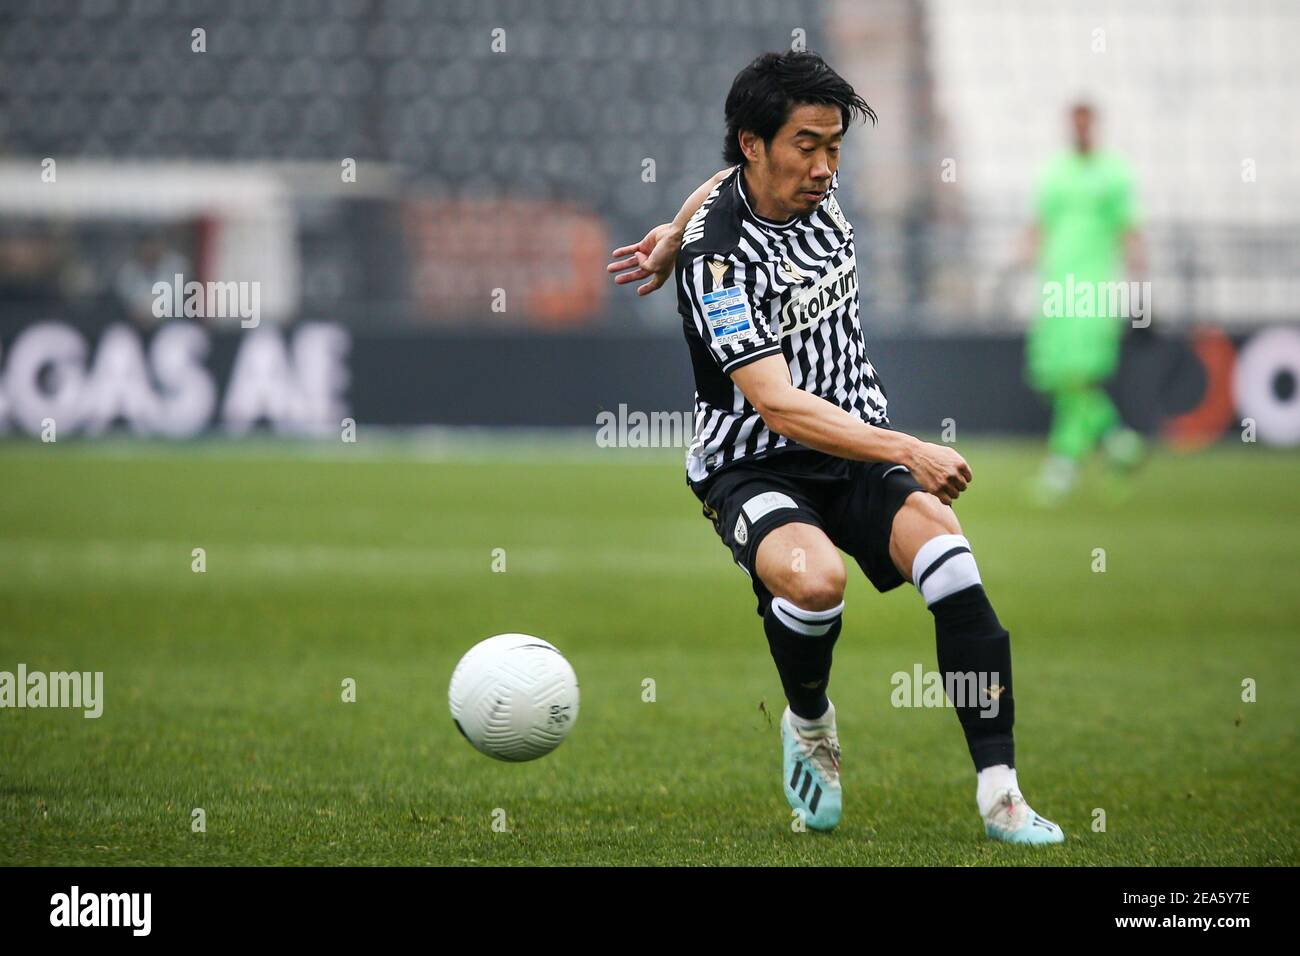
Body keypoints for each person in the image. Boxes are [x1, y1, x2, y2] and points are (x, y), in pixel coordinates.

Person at [608, 51, 1063, 843]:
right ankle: (811, 722)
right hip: (754, 460)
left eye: (835, 146)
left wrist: (670, 228)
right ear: (754, 143)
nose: (825, 166)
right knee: (815, 584)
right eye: (808, 145)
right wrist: (909, 448)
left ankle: (1002, 796)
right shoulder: (720, 265)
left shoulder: (795, 188)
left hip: (849, 444)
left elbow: (717, 185)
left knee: (953, 564)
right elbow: (778, 406)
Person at [1020, 102, 1147, 504]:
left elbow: (1130, 231)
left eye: (1085, 122)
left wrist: (1141, 288)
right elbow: (1039, 226)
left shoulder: (1114, 173)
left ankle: (1063, 465)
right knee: (1058, 375)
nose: (1079, 129)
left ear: (1094, 125)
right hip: (1057, 286)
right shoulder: (1055, 171)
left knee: (1077, 376)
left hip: (1092, 289)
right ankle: (1119, 441)